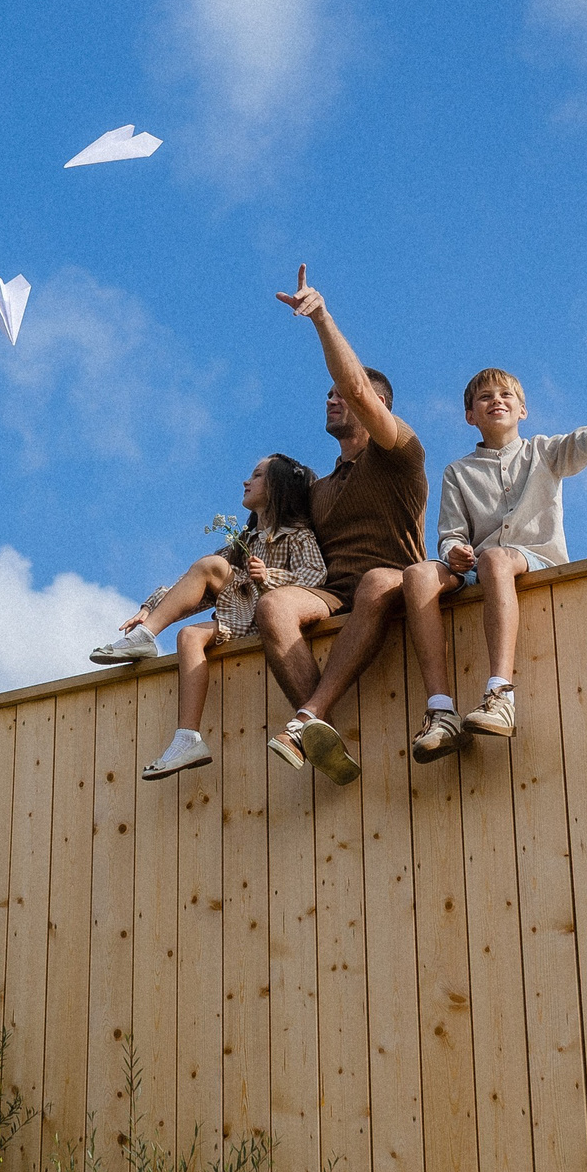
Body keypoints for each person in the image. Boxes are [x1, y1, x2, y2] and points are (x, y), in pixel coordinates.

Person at [400, 367, 587, 760]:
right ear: (470, 415)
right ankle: (441, 710)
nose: (496, 400)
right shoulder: (458, 472)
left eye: (506, 395)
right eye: (484, 397)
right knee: (417, 574)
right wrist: (454, 550)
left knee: (496, 559)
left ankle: (500, 695)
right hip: (477, 566)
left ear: (523, 410)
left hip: (531, 558)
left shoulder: (546, 452)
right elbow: (451, 532)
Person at [250, 265, 429, 786]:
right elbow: (262, 530)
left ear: (377, 408)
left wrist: (321, 317)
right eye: (325, 394)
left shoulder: (400, 454)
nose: (332, 398)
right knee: (274, 605)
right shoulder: (319, 488)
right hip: (333, 595)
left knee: (376, 580)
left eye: (341, 394)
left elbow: (355, 386)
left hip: (395, 582)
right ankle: (318, 723)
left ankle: (307, 717)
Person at [87, 455, 325, 779]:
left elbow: (316, 576)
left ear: (278, 487)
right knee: (188, 636)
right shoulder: (244, 542)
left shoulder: (296, 535)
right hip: (240, 617)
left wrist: (270, 575)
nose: (246, 481)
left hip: (271, 617)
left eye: (256, 475)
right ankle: (188, 738)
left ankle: (145, 638)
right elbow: (192, 581)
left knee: (210, 565)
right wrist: (150, 608)